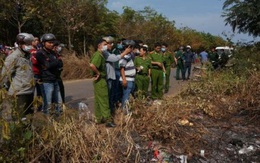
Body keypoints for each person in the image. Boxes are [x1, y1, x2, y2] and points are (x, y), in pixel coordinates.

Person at [1, 33, 35, 119]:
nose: (29, 46)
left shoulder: (28, 56)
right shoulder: (14, 57)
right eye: (27, 44)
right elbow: (5, 75)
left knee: (29, 117)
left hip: (29, 91)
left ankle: (28, 132)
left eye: (30, 44)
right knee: (20, 118)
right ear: (20, 44)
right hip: (19, 93)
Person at [102, 36, 131, 115]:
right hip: (108, 77)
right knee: (109, 96)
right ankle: (108, 113)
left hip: (111, 76)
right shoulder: (104, 53)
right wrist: (125, 52)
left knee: (112, 94)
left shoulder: (108, 52)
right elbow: (114, 59)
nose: (111, 45)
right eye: (109, 43)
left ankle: (111, 111)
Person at [89, 38, 115, 127]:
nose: (106, 45)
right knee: (104, 99)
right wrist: (98, 73)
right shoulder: (98, 55)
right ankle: (108, 120)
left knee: (98, 100)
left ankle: (99, 118)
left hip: (99, 81)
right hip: (100, 80)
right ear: (99, 45)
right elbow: (92, 65)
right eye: (104, 44)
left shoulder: (101, 55)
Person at [36, 33, 63, 116]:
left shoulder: (53, 53)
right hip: (47, 81)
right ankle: (47, 120)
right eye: (49, 42)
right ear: (43, 43)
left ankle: (60, 118)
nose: (51, 44)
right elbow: (48, 65)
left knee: (59, 102)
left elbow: (60, 64)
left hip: (55, 79)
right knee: (47, 102)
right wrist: (56, 62)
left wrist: (54, 63)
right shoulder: (40, 53)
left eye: (52, 42)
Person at [119, 40, 136, 109]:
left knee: (127, 95)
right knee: (126, 96)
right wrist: (124, 79)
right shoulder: (125, 56)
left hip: (130, 79)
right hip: (127, 79)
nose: (132, 49)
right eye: (131, 47)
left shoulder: (129, 55)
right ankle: (125, 110)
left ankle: (125, 108)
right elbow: (121, 68)